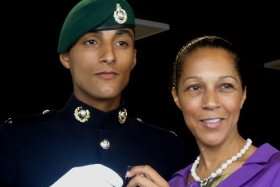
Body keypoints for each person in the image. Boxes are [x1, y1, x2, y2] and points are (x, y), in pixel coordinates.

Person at [0, 0, 188, 186]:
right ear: (66, 57)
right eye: (91, 42)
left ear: (134, 58)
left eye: (122, 43)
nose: (109, 56)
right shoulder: (16, 142)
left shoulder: (168, 149)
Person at [125, 36, 280, 187]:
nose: (210, 102)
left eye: (226, 86)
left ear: (243, 94)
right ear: (177, 97)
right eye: (195, 88)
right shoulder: (175, 182)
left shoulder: (275, 170)